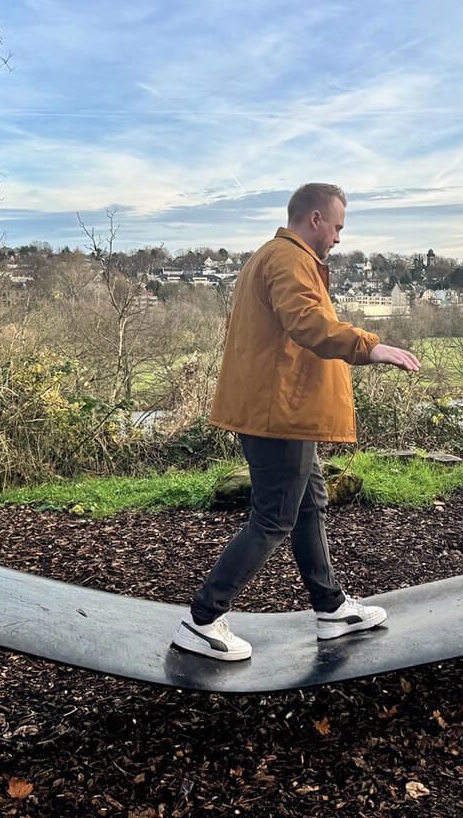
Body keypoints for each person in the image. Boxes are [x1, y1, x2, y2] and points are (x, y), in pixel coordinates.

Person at [171, 183, 420, 660]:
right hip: (277, 413)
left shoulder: (273, 256)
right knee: (273, 517)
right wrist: (371, 346)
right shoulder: (288, 259)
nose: (340, 238)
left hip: (284, 409)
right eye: (338, 226)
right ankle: (202, 619)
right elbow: (307, 322)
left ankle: (331, 609)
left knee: (309, 506)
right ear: (314, 220)